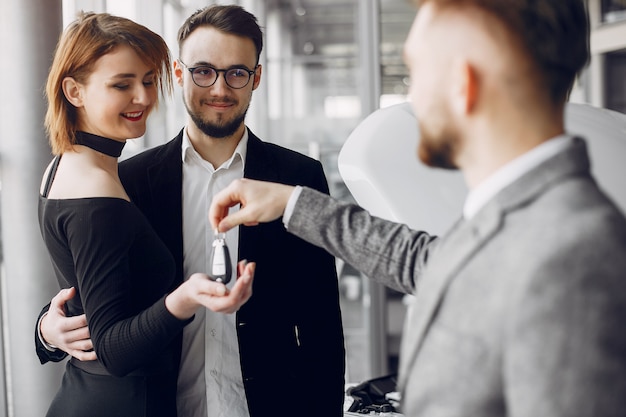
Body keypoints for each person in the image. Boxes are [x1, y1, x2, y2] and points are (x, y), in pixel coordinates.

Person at [208, 1, 626, 416]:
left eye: (416, 72)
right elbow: (422, 258)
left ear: (464, 83)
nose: (410, 96)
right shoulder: (520, 213)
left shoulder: (573, 258)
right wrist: (290, 202)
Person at [36, 5, 346, 417]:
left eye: (237, 72)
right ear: (180, 74)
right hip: (162, 406)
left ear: (256, 78)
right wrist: (46, 331)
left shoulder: (297, 176)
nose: (219, 88)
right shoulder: (127, 181)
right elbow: (93, 294)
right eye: (203, 71)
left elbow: (321, 320)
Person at [38, 11, 255, 417]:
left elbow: (90, 291)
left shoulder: (74, 169)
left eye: (149, 80)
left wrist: (50, 328)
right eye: (122, 84)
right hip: (122, 402)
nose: (143, 97)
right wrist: (187, 296)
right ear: (74, 91)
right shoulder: (102, 189)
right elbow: (113, 347)